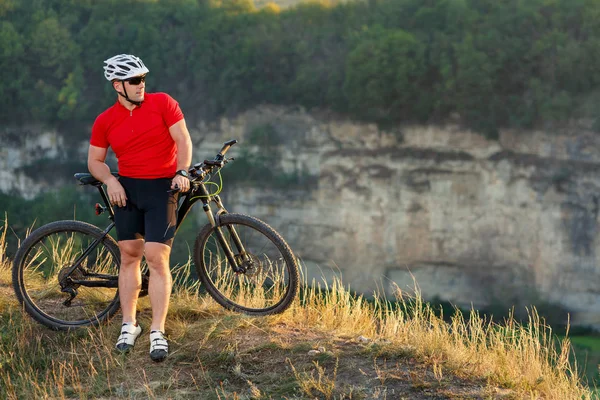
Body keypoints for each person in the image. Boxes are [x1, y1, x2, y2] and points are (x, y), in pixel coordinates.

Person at [87, 54, 192, 362]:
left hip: (163, 187)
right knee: (129, 254)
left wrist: (182, 170)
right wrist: (111, 181)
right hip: (127, 190)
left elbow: (183, 140)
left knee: (157, 256)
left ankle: (157, 331)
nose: (141, 85)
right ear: (117, 85)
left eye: (143, 78)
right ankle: (129, 324)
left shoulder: (163, 103)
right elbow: (94, 161)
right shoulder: (105, 120)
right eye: (134, 81)